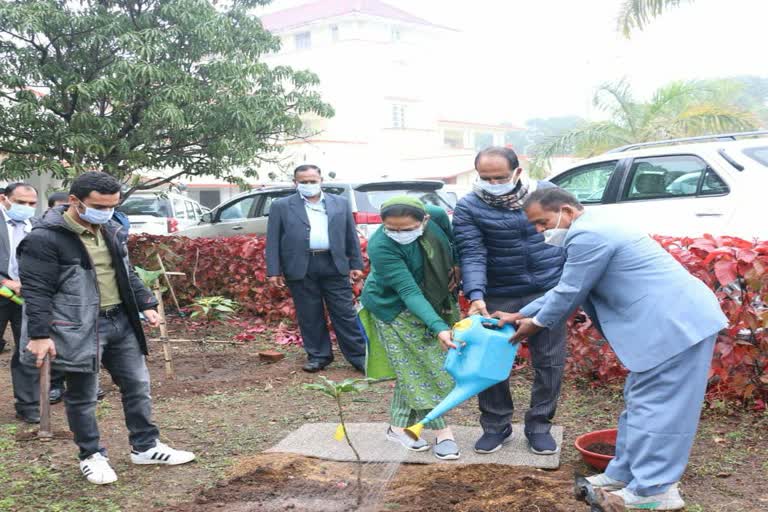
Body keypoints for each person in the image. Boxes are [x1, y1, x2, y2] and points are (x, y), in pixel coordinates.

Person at [494, 188, 727, 511]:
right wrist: (521, 314)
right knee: (641, 404)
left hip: (675, 327)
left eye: (542, 222)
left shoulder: (589, 235)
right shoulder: (596, 226)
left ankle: (656, 491)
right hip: (665, 326)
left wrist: (535, 324)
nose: (539, 231)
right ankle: (624, 473)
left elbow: (571, 292)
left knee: (660, 410)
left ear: (566, 211)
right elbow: (567, 286)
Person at [19, 171, 195, 485]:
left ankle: (145, 446)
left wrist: (145, 304)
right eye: (100, 205)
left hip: (121, 321)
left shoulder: (111, 228)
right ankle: (91, 455)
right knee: (83, 397)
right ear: (74, 201)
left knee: (138, 387)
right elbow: (36, 290)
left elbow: (125, 271)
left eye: (113, 205)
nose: (107, 212)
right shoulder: (45, 239)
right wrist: (40, 335)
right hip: (78, 326)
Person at [452, 146, 566, 455]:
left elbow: (571, 234)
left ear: (517, 171)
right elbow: (472, 252)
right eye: (485, 178)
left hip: (546, 290)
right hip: (498, 293)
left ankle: (540, 426)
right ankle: (495, 425)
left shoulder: (548, 194)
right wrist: (476, 295)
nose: (492, 183)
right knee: (488, 360)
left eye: (499, 177)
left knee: (550, 361)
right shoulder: (469, 207)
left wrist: (567, 285)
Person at [359, 197, 460, 459]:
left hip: (433, 296)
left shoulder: (436, 214)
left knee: (411, 367)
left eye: (406, 229)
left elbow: (451, 243)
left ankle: (397, 427)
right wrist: (438, 327)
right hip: (392, 306)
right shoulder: (380, 244)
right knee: (425, 367)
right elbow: (407, 291)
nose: (398, 235)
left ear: (424, 220)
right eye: (391, 228)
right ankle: (442, 432)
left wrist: (456, 266)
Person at [265, 164, 366, 373]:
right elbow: (273, 239)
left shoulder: (340, 203)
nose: (308, 185)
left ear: (321, 181)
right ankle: (319, 356)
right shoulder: (281, 206)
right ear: (295, 183)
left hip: (333, 263)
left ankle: (359, 357)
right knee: (309, 314)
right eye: (303, 182)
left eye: (312, 181)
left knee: (345, 312)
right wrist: (273, 270)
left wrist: (355, 263)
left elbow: (350, 235)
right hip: (300, 265)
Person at [0, 183, 40, 423]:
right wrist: (4, 281)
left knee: (28, 349)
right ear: (4, 199)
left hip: (27, 296)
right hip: (3, 290)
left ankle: (29, 406)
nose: (26, 208)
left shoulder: (37, 227)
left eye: (31, 204)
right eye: (21, 202)